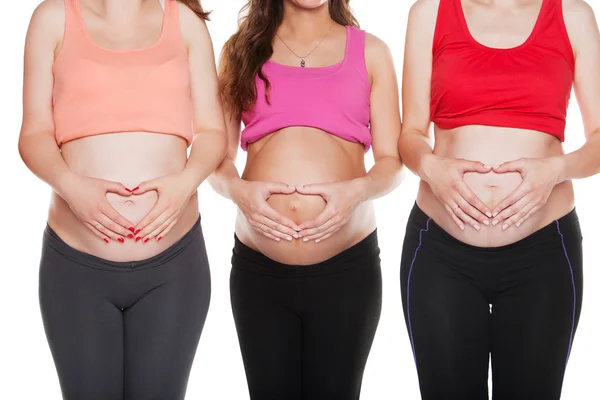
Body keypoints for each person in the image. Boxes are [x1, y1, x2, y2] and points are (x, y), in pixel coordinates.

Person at [18, 0, 227, 398]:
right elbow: (33, 134)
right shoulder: (52, 18)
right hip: (76, 269)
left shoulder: (184, 23)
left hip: (174, 269)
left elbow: (212, 131)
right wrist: (70, 185)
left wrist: (184, 184)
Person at [399, 0, 599, 398]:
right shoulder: (429, 12)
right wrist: (431, 166)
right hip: (441, 253)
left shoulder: (573, 15)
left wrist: (555, 170)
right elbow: (410, 133)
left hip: (543, 253)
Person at [210, 0, 403, 398]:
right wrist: (240, 193)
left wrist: (358, 191)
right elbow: (217, 162)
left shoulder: (372, 52)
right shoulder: (240, 50)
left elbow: (392, 164)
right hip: (259, 273)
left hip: (346, 271)